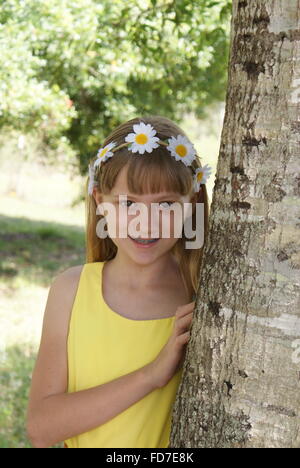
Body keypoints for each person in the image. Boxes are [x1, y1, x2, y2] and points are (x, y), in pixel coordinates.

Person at [26, 115, 211, 448]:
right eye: (128, 203)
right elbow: (41, 429)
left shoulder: (199, 295)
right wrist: (151, 375)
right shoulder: (71, 291)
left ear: (192, 205)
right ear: (100, 202)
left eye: (166, 204)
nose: (146, 222)